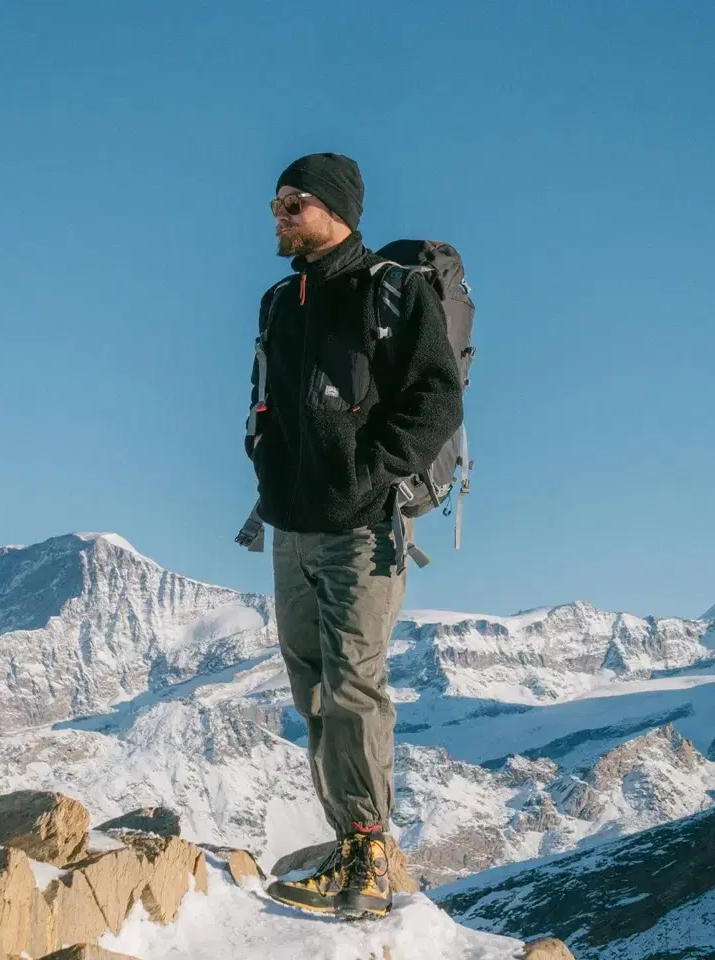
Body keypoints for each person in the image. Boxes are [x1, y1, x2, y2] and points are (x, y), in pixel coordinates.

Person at [245, 153, 463, 920]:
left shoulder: (395, 291)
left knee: (354, 684)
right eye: (275, 203)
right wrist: (266, 466)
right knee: (311, 686)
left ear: (335, 208)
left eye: (293, 203)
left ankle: (368, 853)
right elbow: (265, 398)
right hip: (292, 525)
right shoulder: (280, 300)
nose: (279, 215)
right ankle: (347, 841)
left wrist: (371, 473)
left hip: (364, 528)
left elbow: (439, 398)